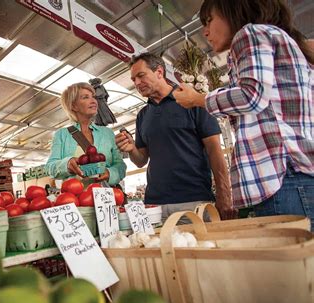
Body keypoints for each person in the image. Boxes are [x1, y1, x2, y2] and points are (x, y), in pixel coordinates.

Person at [173, 0, 314, 229]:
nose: (205, 32)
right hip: (299, 176)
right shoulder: (287, 43)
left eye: (209, 21)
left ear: (234, 10)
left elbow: (252, 96)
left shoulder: (251, 33)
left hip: (281, 178)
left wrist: (197, 99)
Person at [115, 53, 234, 223]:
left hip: (193, 202)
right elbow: (141, 160)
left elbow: (215, 150)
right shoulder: (143, 115)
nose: (137, 83)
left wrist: (224, 194)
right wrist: (131, 148)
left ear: (159, 72)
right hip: (154, 206)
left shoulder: (192, 100)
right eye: (134, 79)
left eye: (141, 76)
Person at [46, 82, 127, 186]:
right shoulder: (62, 135)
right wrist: (67, 164)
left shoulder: (107, 133)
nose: (93, 101)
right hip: (76, 198)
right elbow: (50, 167)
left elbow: (120, 165)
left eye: (93, 97)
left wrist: (110, 173)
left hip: (105, 197)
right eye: (85, 97)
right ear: (74, 106)